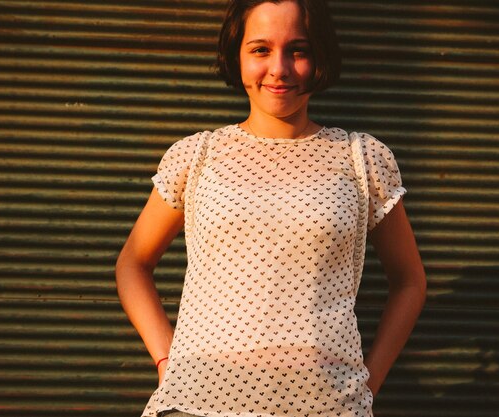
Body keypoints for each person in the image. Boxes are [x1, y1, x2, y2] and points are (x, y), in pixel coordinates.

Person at [115, 0, 426, 416]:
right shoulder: (198, 155)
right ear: (237, 56)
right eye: (260, 49)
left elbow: (409, 282)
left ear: (320, 57)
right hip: (197, 404)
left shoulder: (361, 158)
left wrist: (367, 383)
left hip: (326, 407)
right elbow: (133, 263)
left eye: (299, 50)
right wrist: (168, 363)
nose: (279, 68)